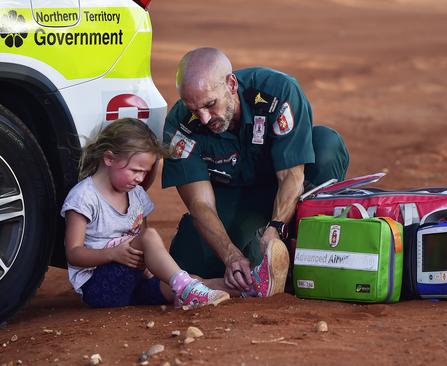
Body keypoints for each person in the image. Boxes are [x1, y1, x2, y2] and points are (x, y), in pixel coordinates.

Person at [162, 47, 349, 295]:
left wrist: (276, 229)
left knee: (326, 145)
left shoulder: (277, 91)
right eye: (195, 110)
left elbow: (291, 176)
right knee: (187, 264)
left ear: (230, 84)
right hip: (234, 196)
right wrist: (229, 254)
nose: (205, 118)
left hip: (286, 187)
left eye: (210, 104)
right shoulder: (180, 124)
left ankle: (311, 254)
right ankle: (263, 264)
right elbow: (200, 204)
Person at [61, 118, 231, 309]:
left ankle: (244, 287)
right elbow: (73, 253)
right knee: (150, 238)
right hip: (99, 287)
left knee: (189, 280)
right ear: (109, 158)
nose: (140, 178)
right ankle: (187, 289)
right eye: (135, 170)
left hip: (135, 280)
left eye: (145, 172)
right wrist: (111, 254)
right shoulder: (84, 197)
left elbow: (143, 244)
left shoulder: (137, 195)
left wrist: (152, 270)